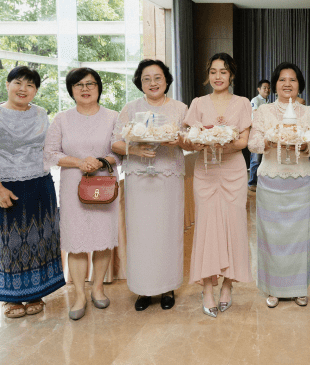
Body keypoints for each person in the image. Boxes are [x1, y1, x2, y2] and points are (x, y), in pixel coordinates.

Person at [0, 66, 65, 319]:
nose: (24, 89)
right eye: (18, 83)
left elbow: (50, 148)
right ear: (8, 84)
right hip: (6, 185)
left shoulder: (41, 113)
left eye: (30, 85)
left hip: (40, 183)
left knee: (41, 237)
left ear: (35, 91)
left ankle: (36, 293)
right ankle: (10, 298)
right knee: (7, 241)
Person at [43, 68, 120, 320]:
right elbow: (51, 153)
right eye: (78, 85)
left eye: (90, 84)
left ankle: (97, 288)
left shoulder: (113, 117)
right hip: (72, 184)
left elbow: (120, 152)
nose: (85, 88)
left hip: (104, 184)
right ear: (71, 90)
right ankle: (79, 294)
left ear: (99, 87)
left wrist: (99, 161)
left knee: (102, 237)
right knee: (76, 241)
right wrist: (79, 162)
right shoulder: (62, 119)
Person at [111, 59, 187, 311]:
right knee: (141, 234)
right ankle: (143, 289)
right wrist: (136, 149)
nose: (153, 83)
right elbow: (115, 143)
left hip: (168, 177)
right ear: (139, 83)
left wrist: (174, 141)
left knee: (167, 231)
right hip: (139, 178)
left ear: (166, 80)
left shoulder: (179, 108)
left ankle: (167, 287)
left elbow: (188, 141)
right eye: (146, 78)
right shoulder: (130, 108)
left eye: (157, 77)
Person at [182, 53, 253, 318]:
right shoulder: (198, 103)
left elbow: (244, 141)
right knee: (207, 227)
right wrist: (199, 141)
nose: (218, 76)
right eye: (213, 71)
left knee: (234, 226)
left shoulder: (243, 103)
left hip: (233, 170)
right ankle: (208, 289)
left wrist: (221, 141)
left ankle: (228, 286)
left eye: (223, 71)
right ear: (208, 75)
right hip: (206, 171)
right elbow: (190, 139)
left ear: (231, 75)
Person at [248, 62, 310, 308]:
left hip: (300, 181)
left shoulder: (308, 112)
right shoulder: (264, 111)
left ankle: (299, 288)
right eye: (282, 80)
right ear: (275, 84)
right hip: (271, 180)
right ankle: (273, 287)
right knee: (272, 237)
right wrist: (269, 142)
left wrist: (305, 146)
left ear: (299, 84)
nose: (287, 84)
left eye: (292, 80)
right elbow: (253, 142)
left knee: (300, 238)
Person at [249, 80, 270, 191]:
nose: (267, 90)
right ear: (259, 89)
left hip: (267, 133)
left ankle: (262, 184)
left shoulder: (269, 102)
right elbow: (256, 114)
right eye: (264, 88)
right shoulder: (255, 100)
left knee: (265, 159)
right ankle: (252, 183)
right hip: (257, 133)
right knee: (256, 159)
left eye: (268, 88)